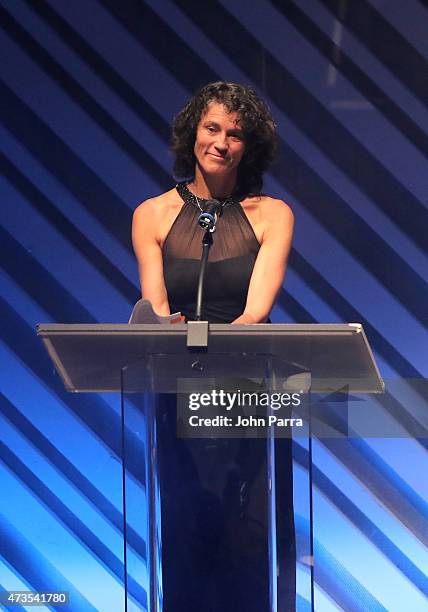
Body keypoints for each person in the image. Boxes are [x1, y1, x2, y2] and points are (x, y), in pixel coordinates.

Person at [132, 82, 296, 612]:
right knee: (183, 523)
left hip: (242, 391)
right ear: (192, 134)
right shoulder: (152, 215)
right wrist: (164, 328)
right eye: (212, 128)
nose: (222, 142)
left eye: (235, 134)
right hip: (175, 388)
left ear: (250, 148)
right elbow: (154, 311)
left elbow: (255, 313)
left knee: (241, 526)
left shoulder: (271, 215)